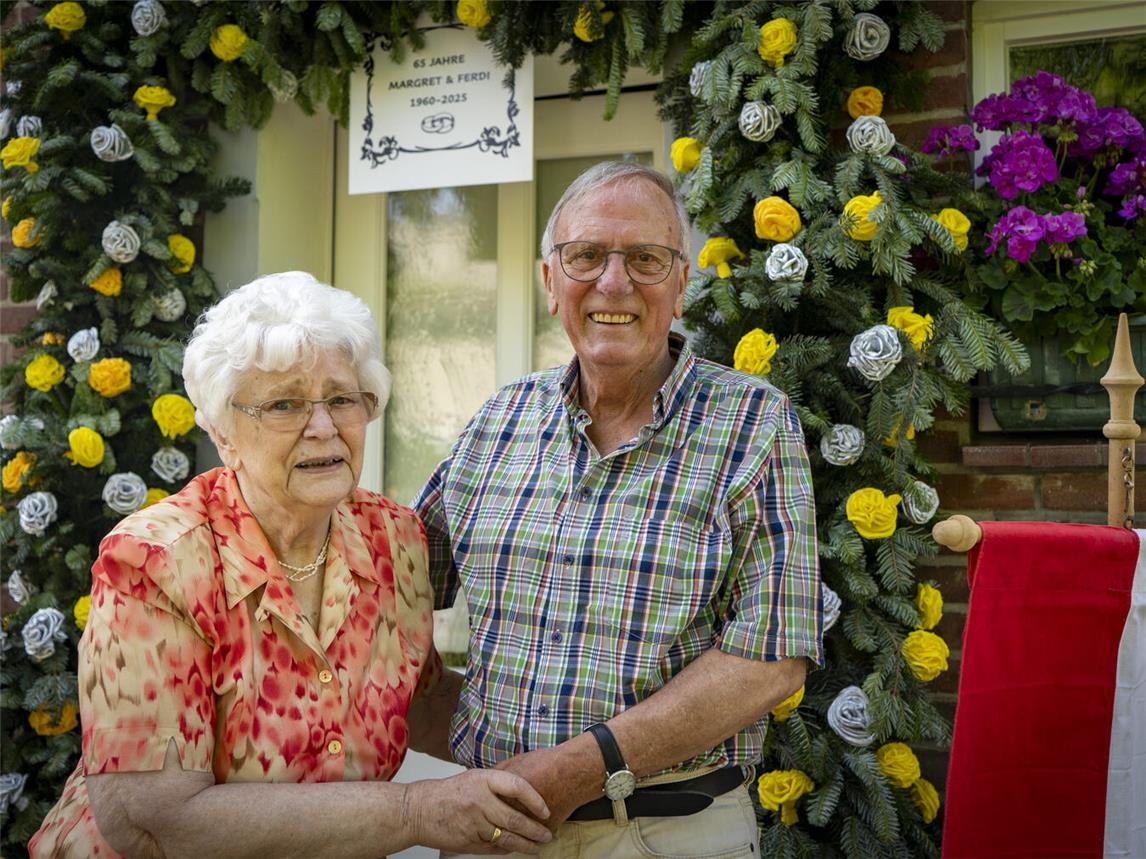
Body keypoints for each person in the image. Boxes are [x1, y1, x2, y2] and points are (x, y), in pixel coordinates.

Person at [30, 273, 552, 858]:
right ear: (225, 434)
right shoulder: (158, 561)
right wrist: (415, 811)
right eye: (284, 404)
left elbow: (421, 700)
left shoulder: (394, 538)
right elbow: (156, 821)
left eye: (341, 398)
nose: (324, 426)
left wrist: (587, 749)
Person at [414, 161, 823, 857]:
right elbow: (393, 580)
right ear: (551, 282)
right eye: (586, 256)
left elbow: (773, 657)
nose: (613, 281)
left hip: (663, 833)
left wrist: (575, 767)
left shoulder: (754, 423)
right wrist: (434, 710)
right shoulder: (498, 420)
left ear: (680, 283)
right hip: (491, 828)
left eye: (644, 258)